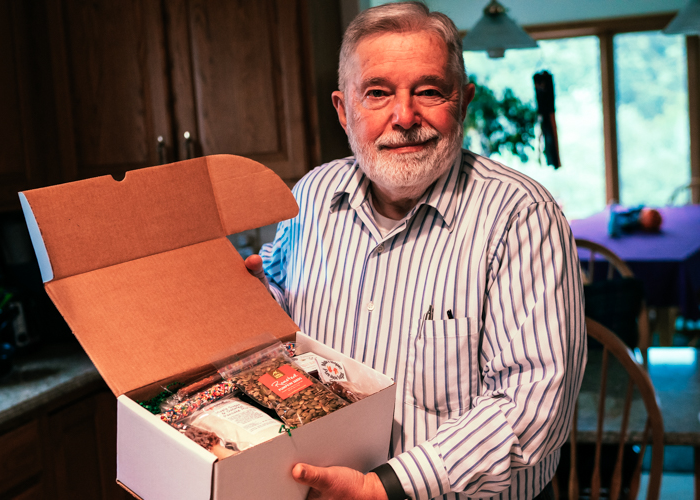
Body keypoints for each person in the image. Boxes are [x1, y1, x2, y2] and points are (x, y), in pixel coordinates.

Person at [245, 3, 586, 499]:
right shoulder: (311, 194)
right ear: (344, 110)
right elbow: (282, 314)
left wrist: (383, 488)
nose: (404, 117)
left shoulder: (522, 216)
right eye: (378, 94)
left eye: (428, 91)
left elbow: (532, 407)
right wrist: (254, 301)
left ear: (463, 101)